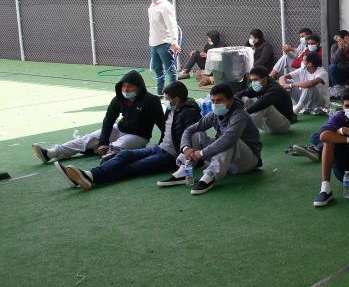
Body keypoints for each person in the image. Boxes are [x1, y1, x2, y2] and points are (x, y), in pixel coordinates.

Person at [54, 82, 200, 190]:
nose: (165, 101)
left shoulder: (189, 113)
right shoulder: (172, 109)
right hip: (160, 148)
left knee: (132, 167)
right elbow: (165, 131)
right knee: (124, 155)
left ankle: (90, 177)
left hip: (171, 156)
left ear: (176, 100)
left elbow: (189, 138)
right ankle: (86, 176)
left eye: (167, 98)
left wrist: (185, 160)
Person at [33, 70, 163, 164]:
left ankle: (101, 158)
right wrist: (103, 142)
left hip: (138, 136)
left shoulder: (151, 100)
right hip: (119, 128)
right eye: (123, 86)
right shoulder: (118, 99)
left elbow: (162, 123)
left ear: (139, 87)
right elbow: (108, 120)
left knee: (116, 149)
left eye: (130, 86)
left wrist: (164, 145)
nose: (126, 89)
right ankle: (50, 153)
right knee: (88, 138)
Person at [158, 83, 262, 195]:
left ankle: (209, 176)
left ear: (230, 101)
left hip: (246, 162)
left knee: (229, 140)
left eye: (219, 100)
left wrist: (201, 153)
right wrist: (186, 148)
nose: (215, 104)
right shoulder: (214, 115)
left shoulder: (240, 115)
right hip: (226, 162)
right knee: (197, 134)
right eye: (213, 101)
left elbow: (228, 140)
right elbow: (189, 130)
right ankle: (184, 172)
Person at [237, 66, 296, 134]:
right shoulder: (261, 84)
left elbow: (263, 103)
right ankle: (235, 125)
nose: (253, 82)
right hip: (267, 124)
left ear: (265, 80)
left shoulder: (275, 89)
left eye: (255, 80)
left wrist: (245, 112)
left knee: (265, 106)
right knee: (244, 98)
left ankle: (242, 132)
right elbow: (241, 94)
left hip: (283, 126)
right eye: (252, 80)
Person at [147, 0, 180, 95]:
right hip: (154, 44)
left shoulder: (166, 6)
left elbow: (172, 25)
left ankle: (174, 94)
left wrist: (174, 42)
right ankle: (160, 93)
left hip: (165, 43)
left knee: (170, 70)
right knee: (157, 69)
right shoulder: (152, 5)